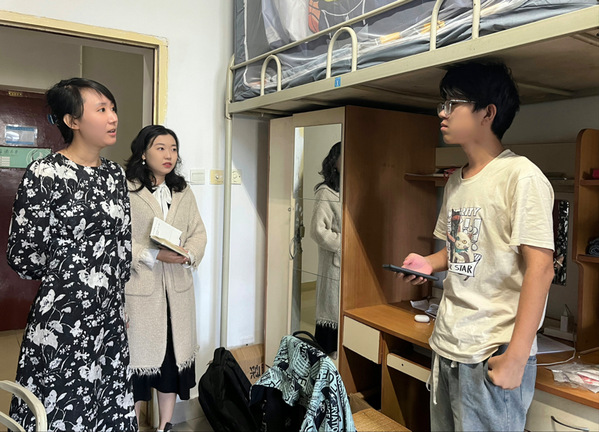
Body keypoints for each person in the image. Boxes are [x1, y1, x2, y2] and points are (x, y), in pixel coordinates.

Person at [399, 62, 555, 431]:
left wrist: (516, 357)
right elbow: (461, 251)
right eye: (443, 104)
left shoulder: (522, 176)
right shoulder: (457, 180)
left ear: (488, 113)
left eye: (453, 104)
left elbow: (542, 269)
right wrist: (428, 262)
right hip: (448, 344)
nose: (443, 113)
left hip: (491, 352)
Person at [6, 78, 137, 431]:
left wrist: (117, 301)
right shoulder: (44, 174)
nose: (113, 117)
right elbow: (22, 254)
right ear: (72, 121)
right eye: (101, 109)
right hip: (63, 316)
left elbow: (122, 245)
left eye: (113, 109)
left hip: (109, 314)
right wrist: (70, 272)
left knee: (106, 402)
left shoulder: (115, 175)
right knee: (60, 406)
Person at [124, 125, 207, 432]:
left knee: (171, 365)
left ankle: (165, 426)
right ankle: (131, 425)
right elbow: (119, 240)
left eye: (173, 148)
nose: (169, 154)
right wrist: (154, 255)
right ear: (143, 153)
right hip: (141, 291)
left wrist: (190, 254)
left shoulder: (182, 191)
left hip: (177, 293)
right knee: (138, 367)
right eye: (160, 148)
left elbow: (198, 232)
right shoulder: (126, 190)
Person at [310, 142, 342, 355]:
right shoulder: (326, 192)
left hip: (353, 264)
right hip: (334, 262)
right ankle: (325, 363)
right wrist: (342, 244)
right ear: (334, 162)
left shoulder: (353, 189)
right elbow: (317, 230)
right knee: (331, 309)